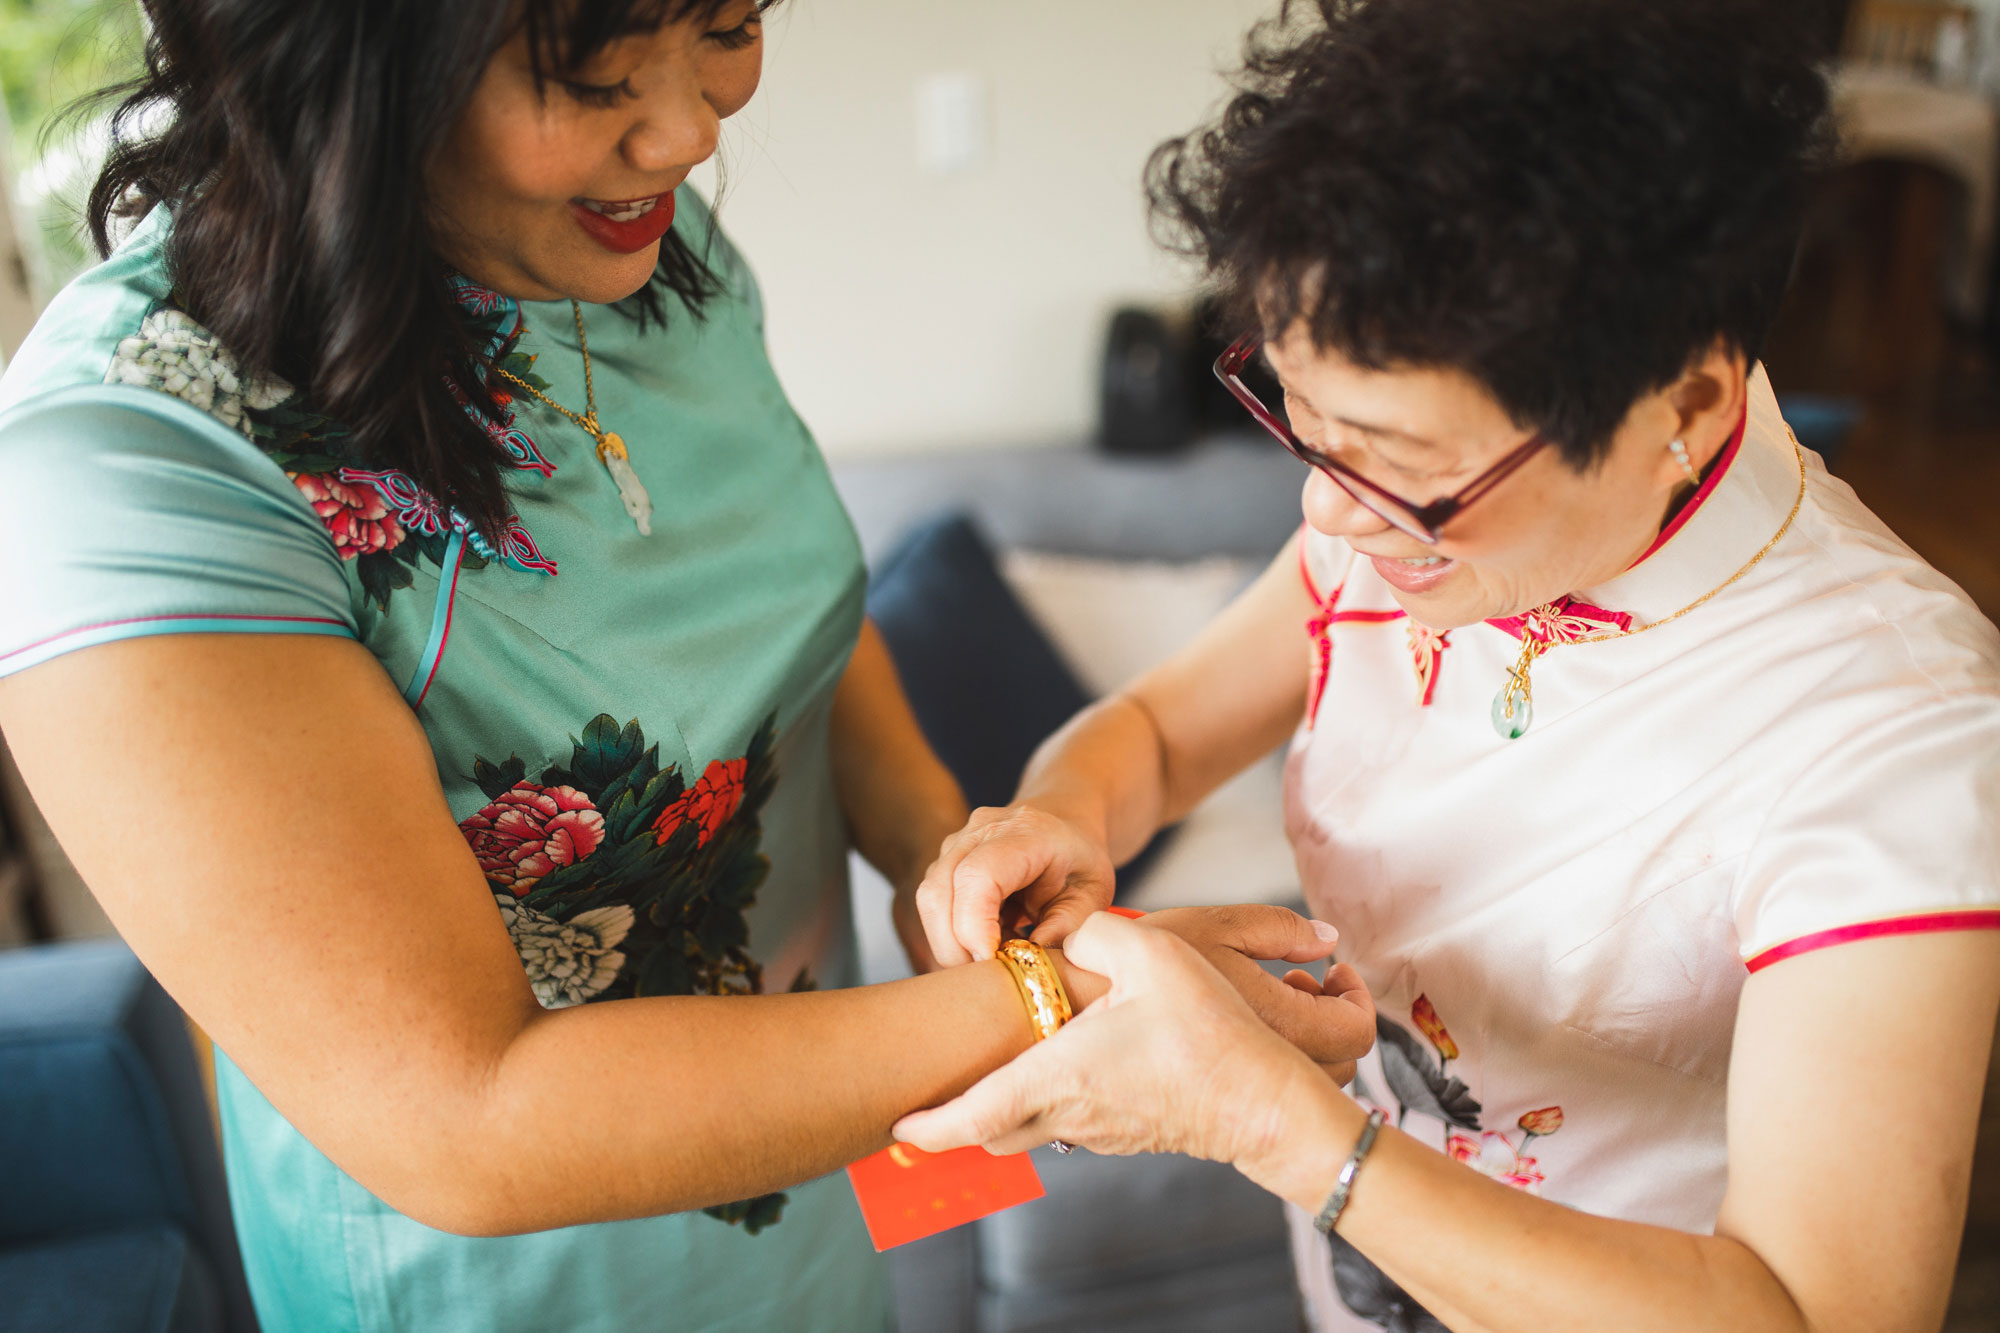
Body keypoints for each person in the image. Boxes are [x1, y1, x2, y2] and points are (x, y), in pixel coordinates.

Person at [0, 3, 1371, 1329]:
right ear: (341, 57)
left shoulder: (646, 249)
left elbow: (798, 628)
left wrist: (942, 854)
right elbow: (467, 1119)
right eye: (593, 74)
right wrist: (1058, 1001)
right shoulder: (135, 472)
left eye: (724, 24)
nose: (684, 134)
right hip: (539, 1283)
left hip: (820, 1170)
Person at [905, 2, 2000, 1330]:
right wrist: (1060, 813)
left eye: (1408, 473)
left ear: (1688, 407)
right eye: (1303, 424)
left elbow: (1818, 1313)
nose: (1327, 521)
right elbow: (1156, 729)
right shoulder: (1414, 516)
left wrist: (1266, 1118)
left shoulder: (1898, 731)